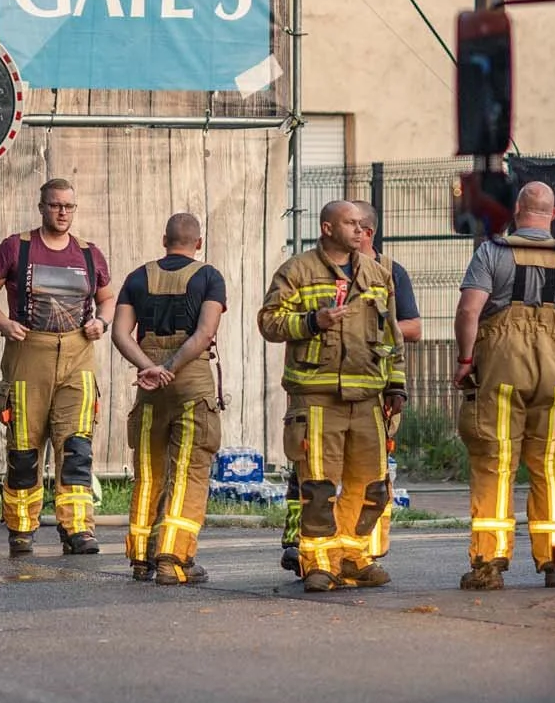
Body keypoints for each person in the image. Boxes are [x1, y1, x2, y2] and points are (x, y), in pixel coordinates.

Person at [258, 200, 406, 593]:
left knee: (372, 485)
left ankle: (354, 557)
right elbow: (269, 322)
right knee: (319, 487)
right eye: (350, 223)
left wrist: (396, 385)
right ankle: (319, 563)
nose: (359, 230)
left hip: (369, 398)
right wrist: (312, 321)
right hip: (317, 397)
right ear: (327, 228)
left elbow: (392, 336)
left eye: (361, 224)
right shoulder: (298, 270)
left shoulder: (377, 273)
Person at [0, 178, 114, 557]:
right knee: (24, 449)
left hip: (78, 355)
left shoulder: (88, 254)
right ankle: (21, 528)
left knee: (77, 447)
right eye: (55, 205)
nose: (62, 212)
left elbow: (109, 297)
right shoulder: (16, 248)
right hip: (28, 353)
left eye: (68, 206)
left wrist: (102, 322)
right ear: (42, 207)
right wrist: (4, 323)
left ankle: (78, 529)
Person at [454, 182, 555, 590]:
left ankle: (489, 562)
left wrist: (466, 360)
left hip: (504, 369)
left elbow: (470, 309)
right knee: (553, 466)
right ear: (553, 214)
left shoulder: (492, 251)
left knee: (496, 461)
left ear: (517, 209)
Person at [111, 212, 227, 585]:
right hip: (190, 384)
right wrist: (172, 367)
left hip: (149, 390)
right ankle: (172, 560)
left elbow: (120, 334)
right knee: (188, 474)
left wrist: (150, 367)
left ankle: (142, 559)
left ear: (164, 240)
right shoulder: (209, 277)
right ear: (199, 243)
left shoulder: (137, 277)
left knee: (149, 474)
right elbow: (205, 334)